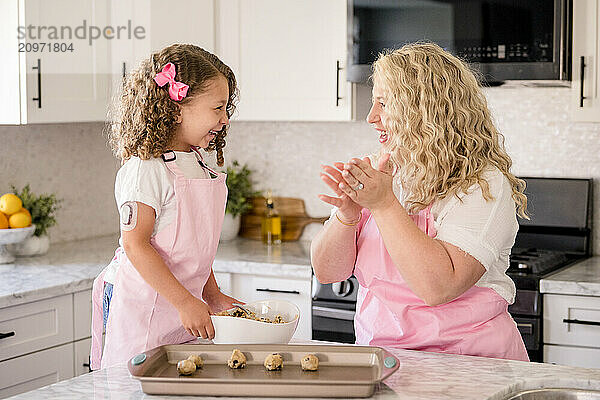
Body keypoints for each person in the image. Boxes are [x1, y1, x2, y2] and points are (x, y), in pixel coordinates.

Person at [311, 42, 529, 361]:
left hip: (473, 367)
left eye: (383, 104)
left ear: (424, 110)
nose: (371, 117)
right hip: (384, 361)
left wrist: (384, 205)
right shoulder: (380, 172)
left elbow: (439, 287)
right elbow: (328, 272)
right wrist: (347, 216)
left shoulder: (483, 184)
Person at [90, 44, 242, 369]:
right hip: (142, 308)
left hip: (180, 308)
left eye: (226, 107)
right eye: (217, 108)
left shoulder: (198, 163)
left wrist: (210, 294)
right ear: (176, 110)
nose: (225, 118)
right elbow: (135, 245)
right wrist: (186, 300)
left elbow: (193, 248)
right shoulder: (146, 168)